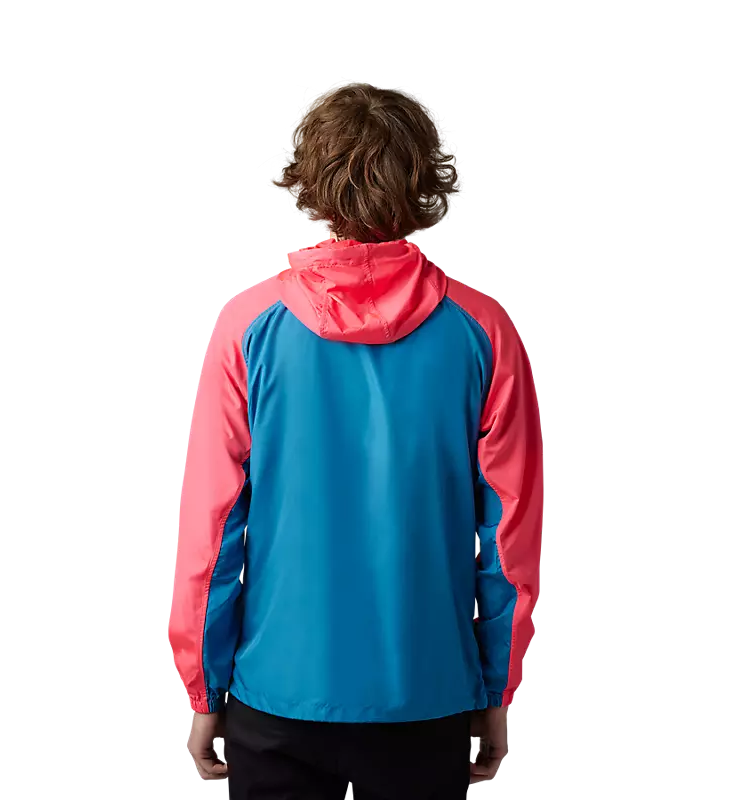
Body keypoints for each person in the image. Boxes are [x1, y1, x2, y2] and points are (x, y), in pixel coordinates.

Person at [167, 77, 544, 799]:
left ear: (305, 179)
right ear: (428, 177)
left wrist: (203, 688)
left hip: (276, 691)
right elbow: (508, 538)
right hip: (427, 691)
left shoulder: (247, 326)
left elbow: (211, 533)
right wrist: (497, 688)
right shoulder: (483, 331)